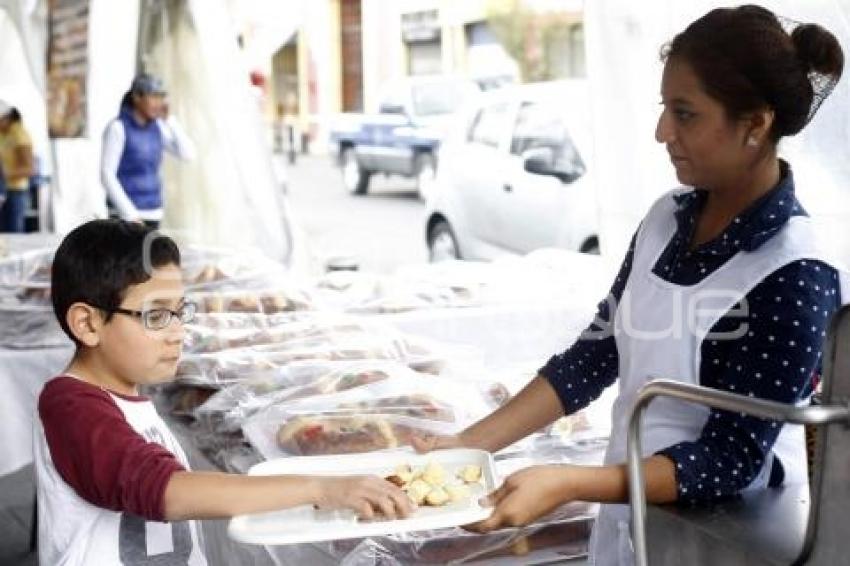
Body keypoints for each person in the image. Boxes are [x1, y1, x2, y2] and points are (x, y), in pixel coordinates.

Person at [413, 6, 848, 565]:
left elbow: (730, 457)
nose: (662, 132)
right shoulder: (667, 218)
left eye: (685, 114)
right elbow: (597, 353)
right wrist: (467, 445)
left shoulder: (794, 272)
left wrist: (570, 483)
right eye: (665, 109)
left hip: (726, 542)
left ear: (755, 125)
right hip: (633, 516)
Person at [35, 220, 413, 565]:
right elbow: (167, 491)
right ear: (87, 323)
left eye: (181, 312)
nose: (178, 331)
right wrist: (320, 489)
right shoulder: (71, 407)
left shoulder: (126, 399)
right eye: (156, 316)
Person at [101, 74, 195, 229]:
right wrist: (129, 214)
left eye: (161, 97)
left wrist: (169, 120)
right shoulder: (118, 128)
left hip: (153, 212)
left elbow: (188, 154)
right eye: (154, 96)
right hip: (124, 215)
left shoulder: (158, 128)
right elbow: (107, 174)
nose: (159, 103)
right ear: (137, 97)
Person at [0, 101, 34, 232]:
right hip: (3, 190)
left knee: (14, 234)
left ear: (6, 118)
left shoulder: (19, 134)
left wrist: (5, 174)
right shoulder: (3, 134)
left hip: (16, 192)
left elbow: (29, 168)